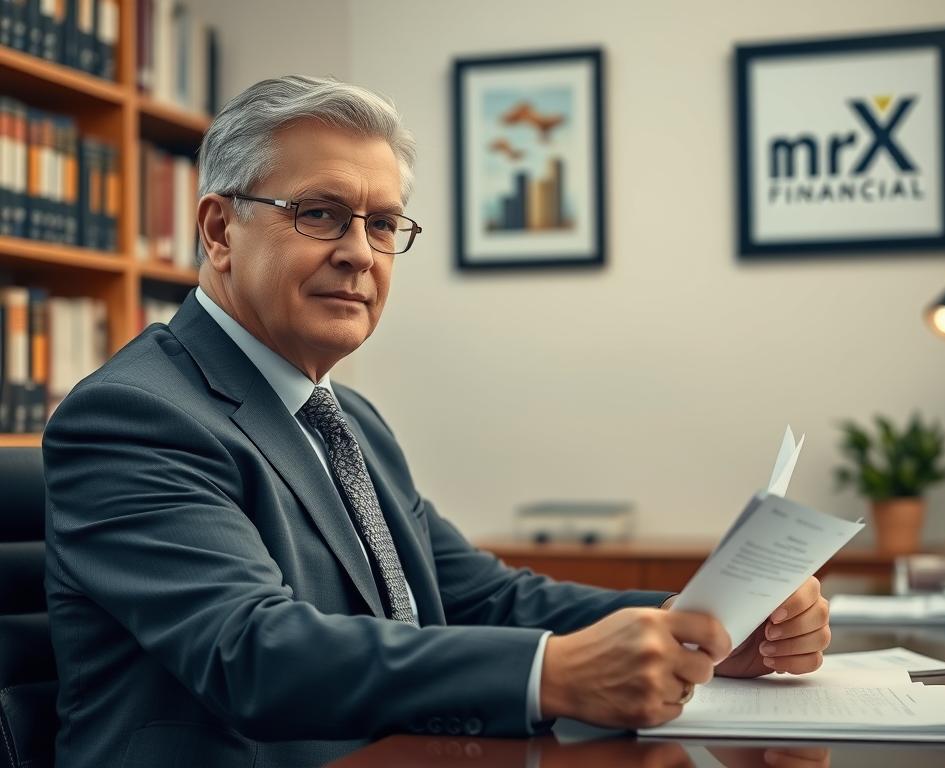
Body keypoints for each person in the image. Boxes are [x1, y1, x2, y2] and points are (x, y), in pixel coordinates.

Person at [43, 75, 830, 768]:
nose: (361, 253)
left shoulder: (347, 418)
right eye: (321, 213)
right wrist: (549, 673)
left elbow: (482, 598)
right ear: (219, 231)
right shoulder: (135, 415)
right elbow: (253, 653)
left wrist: (692, 631)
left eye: (383, 225)